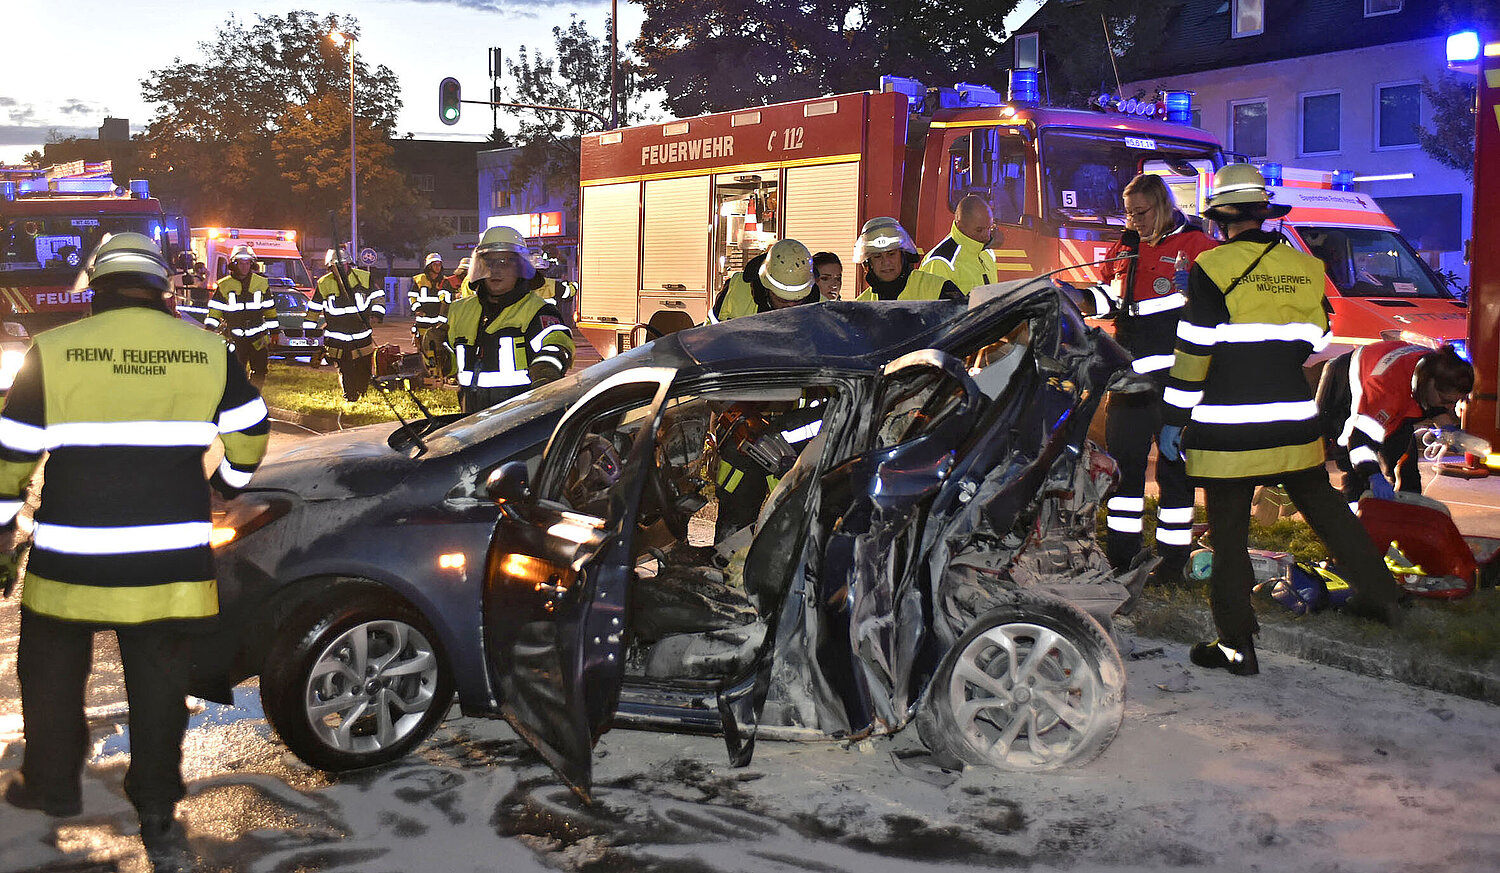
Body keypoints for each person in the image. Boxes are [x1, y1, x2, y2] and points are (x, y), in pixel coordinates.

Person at [0, 232, 268, 857]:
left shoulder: (54, 350)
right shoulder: (208, 350)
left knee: (49, 673)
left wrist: (4, 529)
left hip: (70, 563)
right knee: (159, 685)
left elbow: (11, 455)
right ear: (161, 287)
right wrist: (225, 484)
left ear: (96, 287)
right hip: (170, 564)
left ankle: (51, 786)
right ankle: (155, 807)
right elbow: (251, 432)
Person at [1159, 164, 1402, 676]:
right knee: (1329, 513)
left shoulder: (1211, 266)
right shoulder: (1306, 268)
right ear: (1263, 214)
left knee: (1229, 535)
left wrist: (1174, 416)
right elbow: (1317, 338)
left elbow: (1194, 350)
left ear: (1221, 218)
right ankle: (1385, 600)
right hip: (1293, 419)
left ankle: (1237, 647)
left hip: (1227, 427)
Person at [1089, 175, 1217, 585]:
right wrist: (1075, 297)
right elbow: (1109, 294)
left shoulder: (1198, 246)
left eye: (1141, 213)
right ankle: (1122, 557)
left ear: (1163, 206)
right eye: (1129, 213)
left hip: (1176, 380)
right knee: (1125, 468)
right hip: (1129, 378)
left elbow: (1218, 308)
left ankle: (1172, 562)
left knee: (1174, 471)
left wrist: (1197, 293)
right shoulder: (1126, 246)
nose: (1134, 221)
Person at [1317, 340, 1474, 505]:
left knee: (1407, 473)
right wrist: (1373, 475)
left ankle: (1405, 514)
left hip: (1402, 396)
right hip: (1346, 383)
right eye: (1446, 401)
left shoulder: (1437, 368)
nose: (1450, 407)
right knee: (1356, 474)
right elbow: (1360, 442)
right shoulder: (1385, 390)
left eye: (1454, 402)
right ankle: (1351, 514)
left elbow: (1433, 403)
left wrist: (1449, 430)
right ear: (1428, 384)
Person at [444, 226, 575, 414]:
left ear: (520, 267)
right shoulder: (460, 310)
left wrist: (546, 371)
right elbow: (451, 363)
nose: (496, 270)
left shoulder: (537, 311)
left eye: (505, 262)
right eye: (490, 262)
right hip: (471, 419)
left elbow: (556, 344)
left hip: (520, 422)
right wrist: (437, 355)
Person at [305, 248, 385, 402]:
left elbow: (378, 297)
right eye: (335, 266)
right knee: (345, 369)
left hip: (362, 335)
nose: (340, 268)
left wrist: (377, 314)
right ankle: (350, 397)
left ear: (349, 263)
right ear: (330, 267)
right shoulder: (324, 283)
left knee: (364, 369)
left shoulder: (364, 278)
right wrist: (309, 331)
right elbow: (314, 308)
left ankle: (361, 393)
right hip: (337, 338)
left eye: (343, 264)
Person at [204, 245, 277, 386]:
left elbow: (269, 309)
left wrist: (275, 332)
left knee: (260, 371)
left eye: (247, 263)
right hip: (234, 338)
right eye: (241, 263)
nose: (245, 267)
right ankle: (238, 396)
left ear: (252, 264)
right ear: (234, 264)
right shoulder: (224, 285)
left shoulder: (261, 283)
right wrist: (209, 330)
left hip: (258, 337)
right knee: (235, 372)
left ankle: (254, 395)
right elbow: (215, 310)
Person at [707, 237, 820, 323]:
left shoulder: (822, 309)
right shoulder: (735, 290)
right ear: (767, 286)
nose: (791, 305)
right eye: (782, 300)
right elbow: (710, 330)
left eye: (798, 300)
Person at [851, 217, 964, 302]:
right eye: (877, 256)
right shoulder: (861, 306)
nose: (886, 262)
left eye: (891, 254)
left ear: (903, 256)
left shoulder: (938, 288)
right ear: (868, 263)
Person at [918, 194, 999, 295]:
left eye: (990, 228)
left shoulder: (987, 254)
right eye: (979, 230)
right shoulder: (940, 262)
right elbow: (932, 303)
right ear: (960, 224)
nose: (987, 236)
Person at [408, 252, 454, 378]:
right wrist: (417, 309)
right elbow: (412, 297)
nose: (438, 267)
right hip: (422, 322)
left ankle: (438, 374)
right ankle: (428, 375)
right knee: (424, 350)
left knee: (438, 350)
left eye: (439, 264)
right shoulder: (419, 280)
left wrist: (442, 319)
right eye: (435, 265)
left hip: (438, 324)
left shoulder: (444, 282)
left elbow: (447, 301)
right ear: (429, 266)